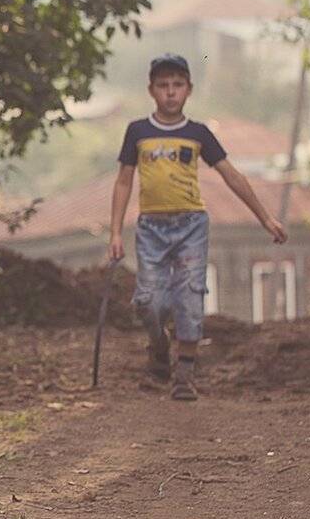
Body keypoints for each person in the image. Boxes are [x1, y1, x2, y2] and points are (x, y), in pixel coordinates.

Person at [107, 54, 287, 400]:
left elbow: (231, 175)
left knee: (189, 295)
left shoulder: (198, 133)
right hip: (151, 228)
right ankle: (159, 351)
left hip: (190, 225)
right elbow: (124, 182)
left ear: (188, 90)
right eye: (163, 86)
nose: (170, 93)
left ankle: (184, 375)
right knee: (150, 301)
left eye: (177, 85)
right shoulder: (138, 131)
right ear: (151, 90)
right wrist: (115, 232)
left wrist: (265, 218)